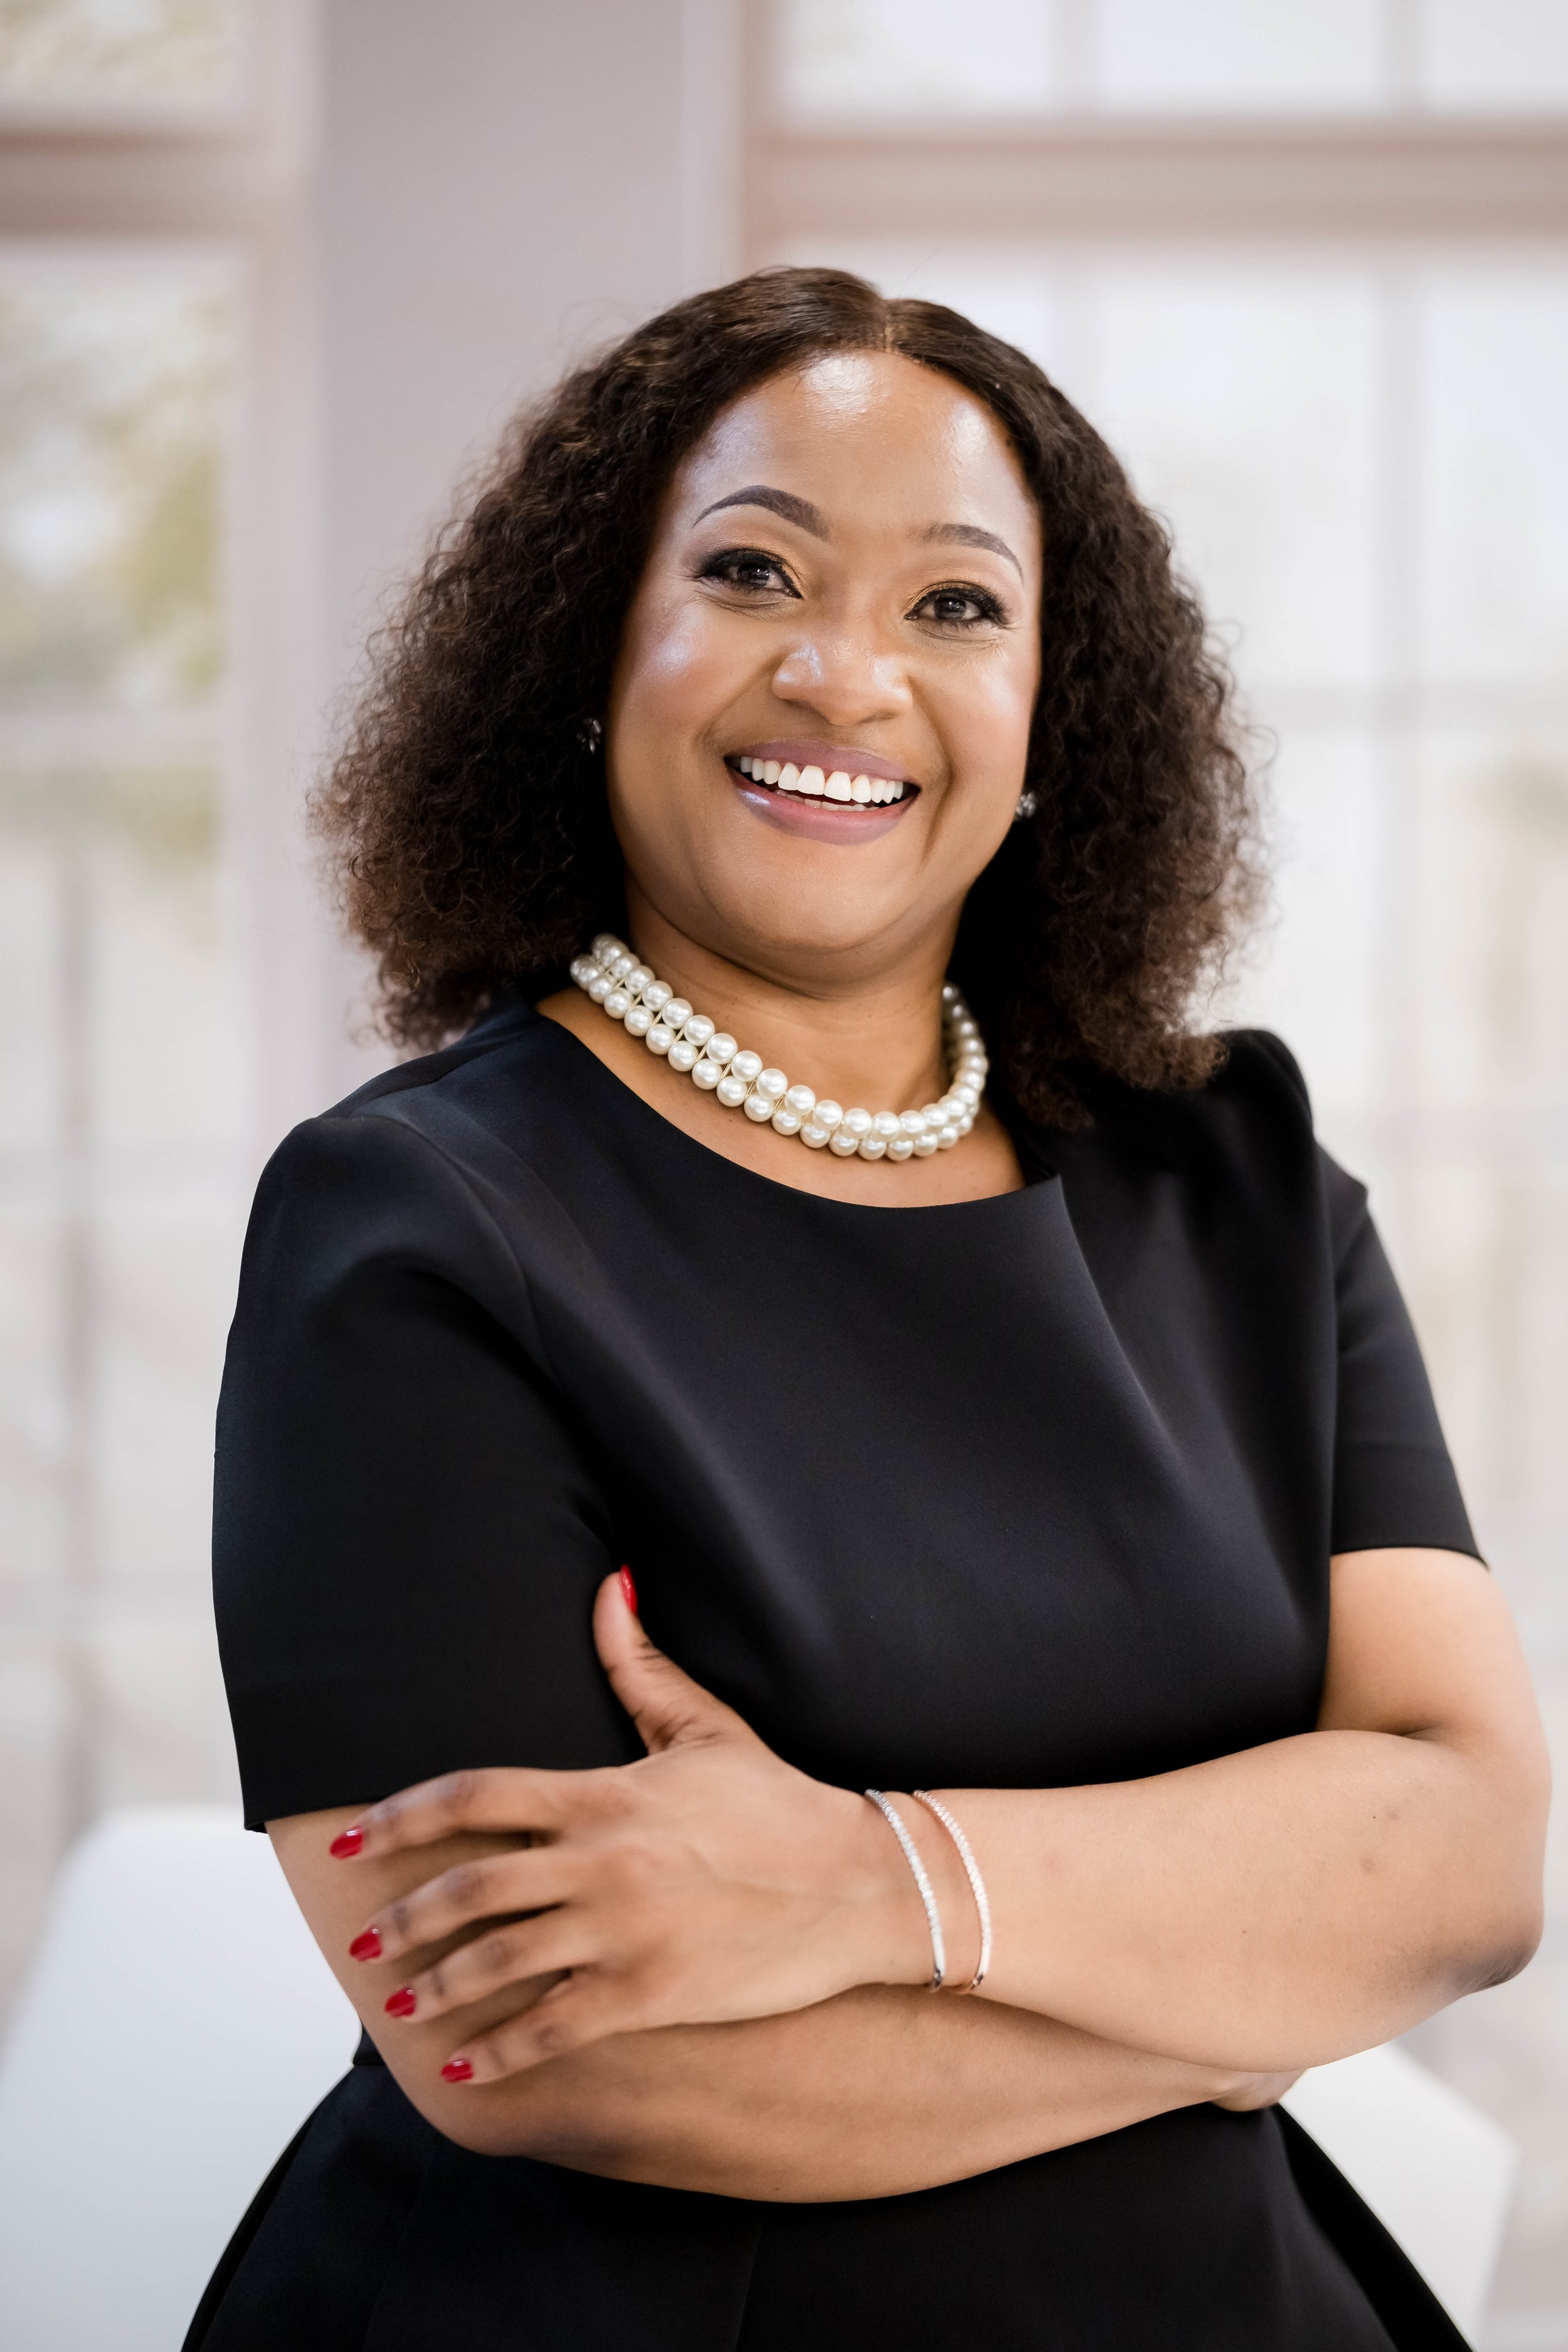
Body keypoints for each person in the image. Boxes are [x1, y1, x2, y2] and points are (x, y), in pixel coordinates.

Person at [189, 268, 1548, 2351]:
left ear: (1048, 721)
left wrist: (863, 1882)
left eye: (955, 605)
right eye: (751, 571)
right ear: (591, 651)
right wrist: (1233, 2001)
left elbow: (1468, 1855)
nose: (845, 675)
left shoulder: (1237, 1177)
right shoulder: (408, 1227)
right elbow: (533, 2054)